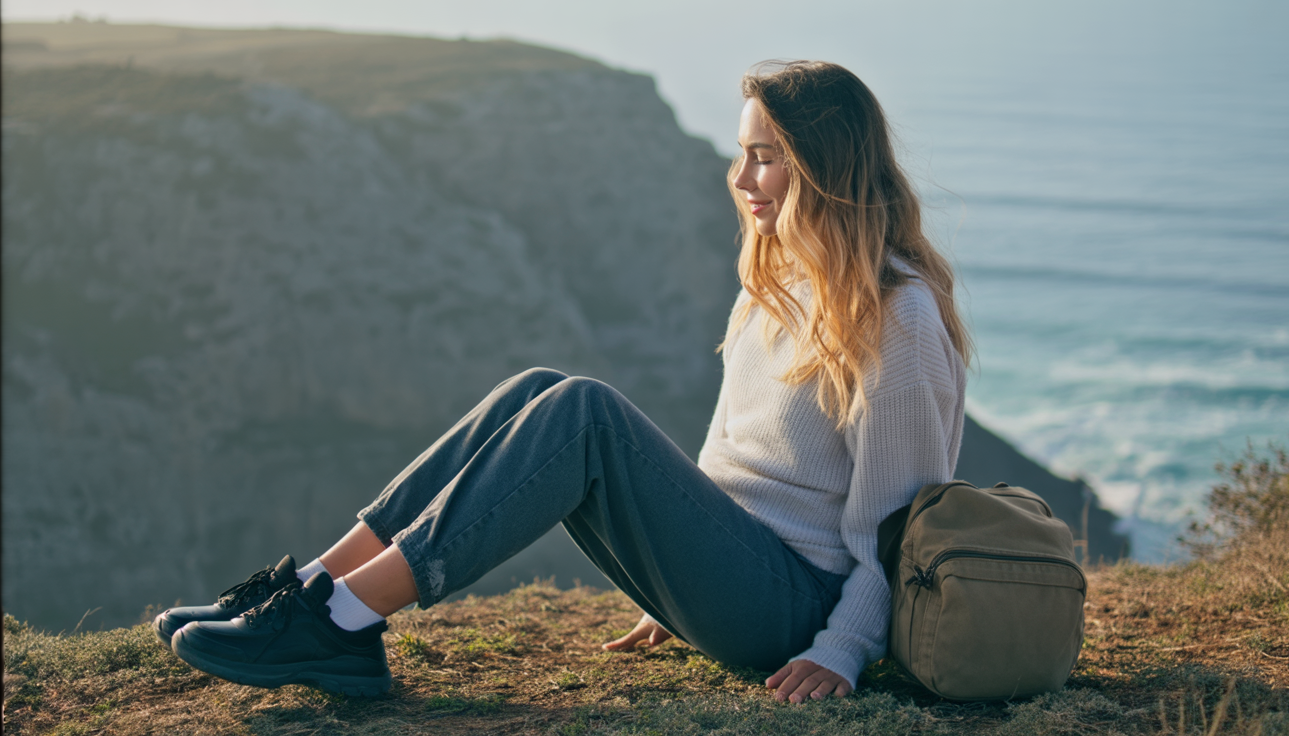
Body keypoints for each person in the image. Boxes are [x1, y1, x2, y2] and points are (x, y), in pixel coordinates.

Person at [157, 59, 971, 704]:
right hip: (741, 580)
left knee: (584, 411)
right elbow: (729, 464)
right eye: (742, 153)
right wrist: (678, 585)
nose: (741, 176)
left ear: (823, 167)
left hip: (799, 608)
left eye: (765, 157)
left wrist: (841, 651)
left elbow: (897, 532)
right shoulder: (781, 284)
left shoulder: (897, 316)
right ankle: (311, 591)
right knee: (536, 388)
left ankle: (342, 624)